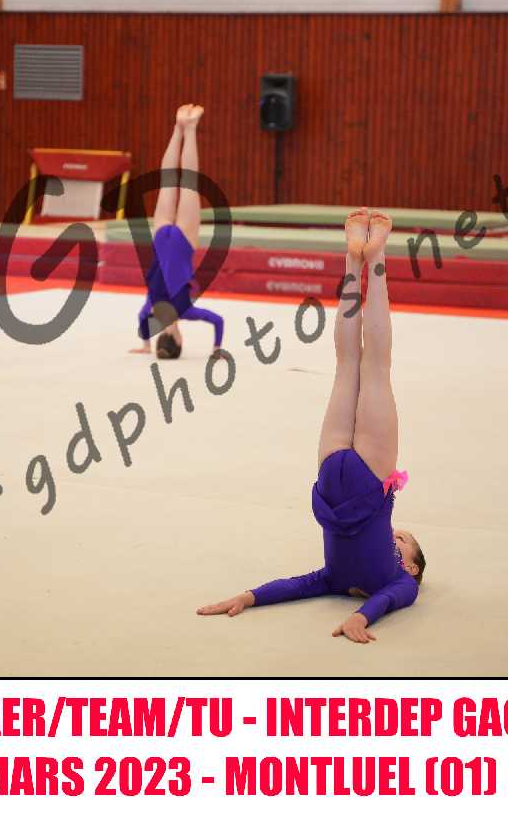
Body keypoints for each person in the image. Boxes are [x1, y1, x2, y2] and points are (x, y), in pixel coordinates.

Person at [197, 210, 426, 643]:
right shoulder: (397, 583)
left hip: (332, 472)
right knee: (374, 366)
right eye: (403, 535)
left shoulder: (341, 579)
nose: (398, 533)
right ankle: (372, 257)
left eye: (404, 538)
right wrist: (363, 616)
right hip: (369, 476)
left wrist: (249, 596)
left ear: (411, 565)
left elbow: (298, 585)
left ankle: (352, 258)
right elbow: (388, 599)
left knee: (349, 365)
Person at [129, 104, 223, 359]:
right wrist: (145, 344)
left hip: (183, 243)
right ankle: (178, 127)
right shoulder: (152, 309)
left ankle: (190, 128)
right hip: (161, 239)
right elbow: (141, 318)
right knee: (168, 180)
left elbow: (218, 321)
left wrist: (217, 348)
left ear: (179, 340)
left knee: (190, 181)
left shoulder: (185, 311)